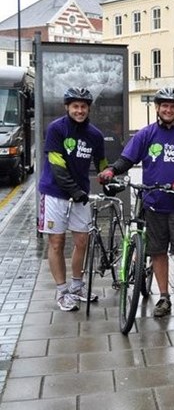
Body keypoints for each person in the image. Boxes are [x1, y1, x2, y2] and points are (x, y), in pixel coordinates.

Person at [98, 87, 174, 318]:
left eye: (172, 106)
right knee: (157, 252)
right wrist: (111, 171)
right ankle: (164, 298)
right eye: (164, 105)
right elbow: (127, 159)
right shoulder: (146, 134)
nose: (168, 109)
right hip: (154, 204)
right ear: (157, 108)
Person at [38, 87, 107, 311]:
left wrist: (109, 179)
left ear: (88, 109)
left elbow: (102, 164)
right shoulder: (57, 129)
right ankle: (61, 291)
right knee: (56, 242)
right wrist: (74, 190)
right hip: (55, 194)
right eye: (75, 106)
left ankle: (77, 287)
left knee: (82, 241)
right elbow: (57, 167)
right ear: (67, 107)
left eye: (83, 106)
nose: (80, 110)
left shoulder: (95, 135)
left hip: (80, 197)